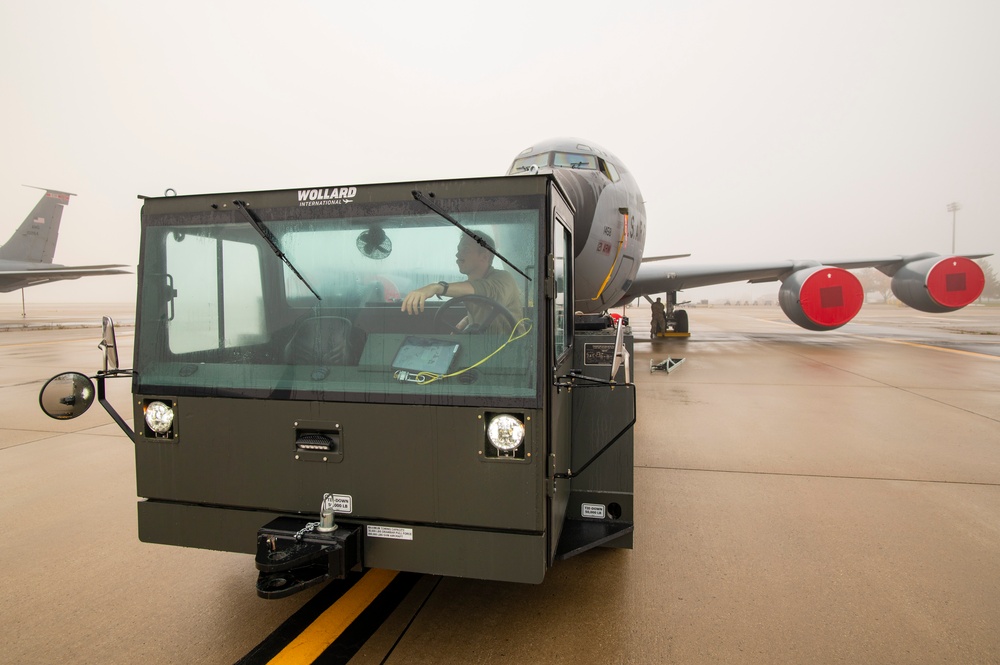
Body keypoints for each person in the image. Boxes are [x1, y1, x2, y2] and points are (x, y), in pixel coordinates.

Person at [401, 232, 523, 333]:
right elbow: (481, 302)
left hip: (512, 352)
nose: (458, 255)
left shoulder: (503, 279)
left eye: (465, 249)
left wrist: (436, 287)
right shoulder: (469, 286)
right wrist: (466, 321)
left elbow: (484, 290)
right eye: (458, 250)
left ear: (485, 256)